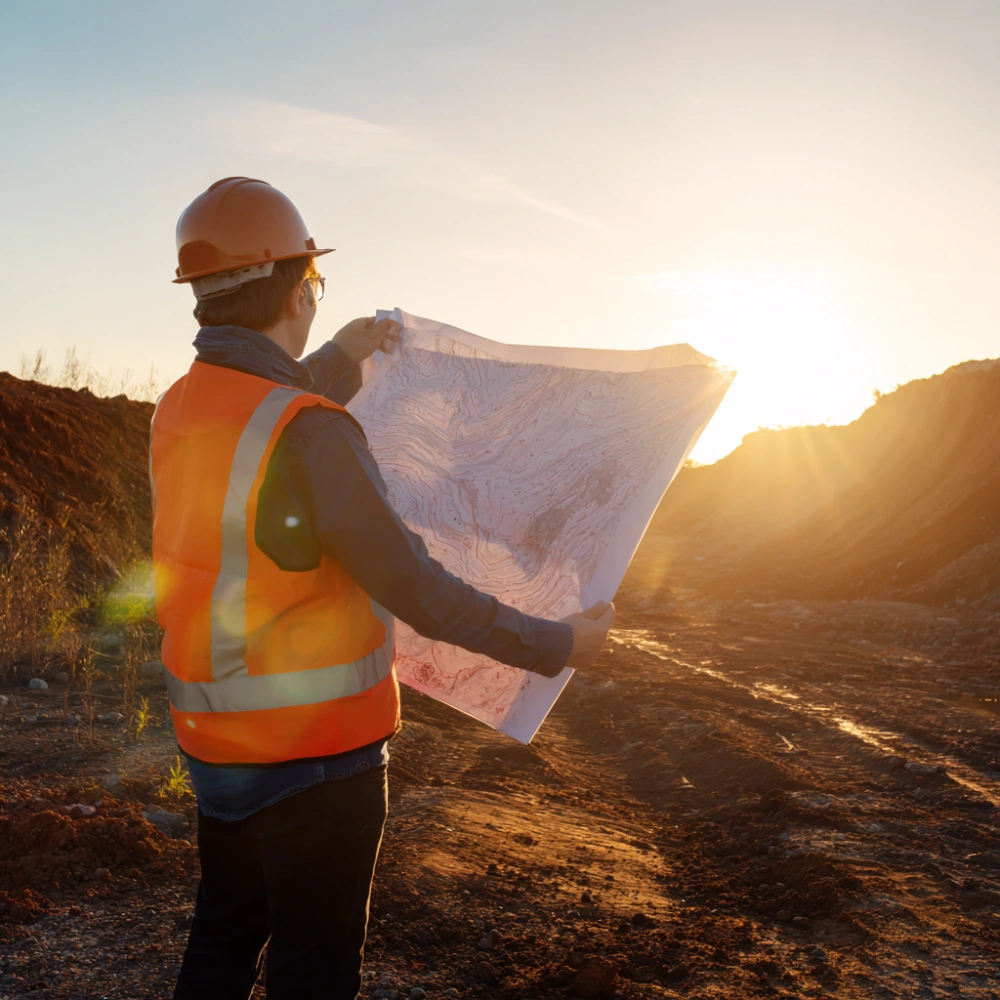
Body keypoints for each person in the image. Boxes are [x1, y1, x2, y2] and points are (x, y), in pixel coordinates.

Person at [153, 177, 615, 1000]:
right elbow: (415, 586)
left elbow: (264, 420)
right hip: (315, 765)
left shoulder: (180, 409)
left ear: (203, 296)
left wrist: (344, 355)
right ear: (298, 291)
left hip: (217, 745)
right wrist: (555, 643)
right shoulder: (313, 432)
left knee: (222, 939)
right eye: (314, 283)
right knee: (314, 974)